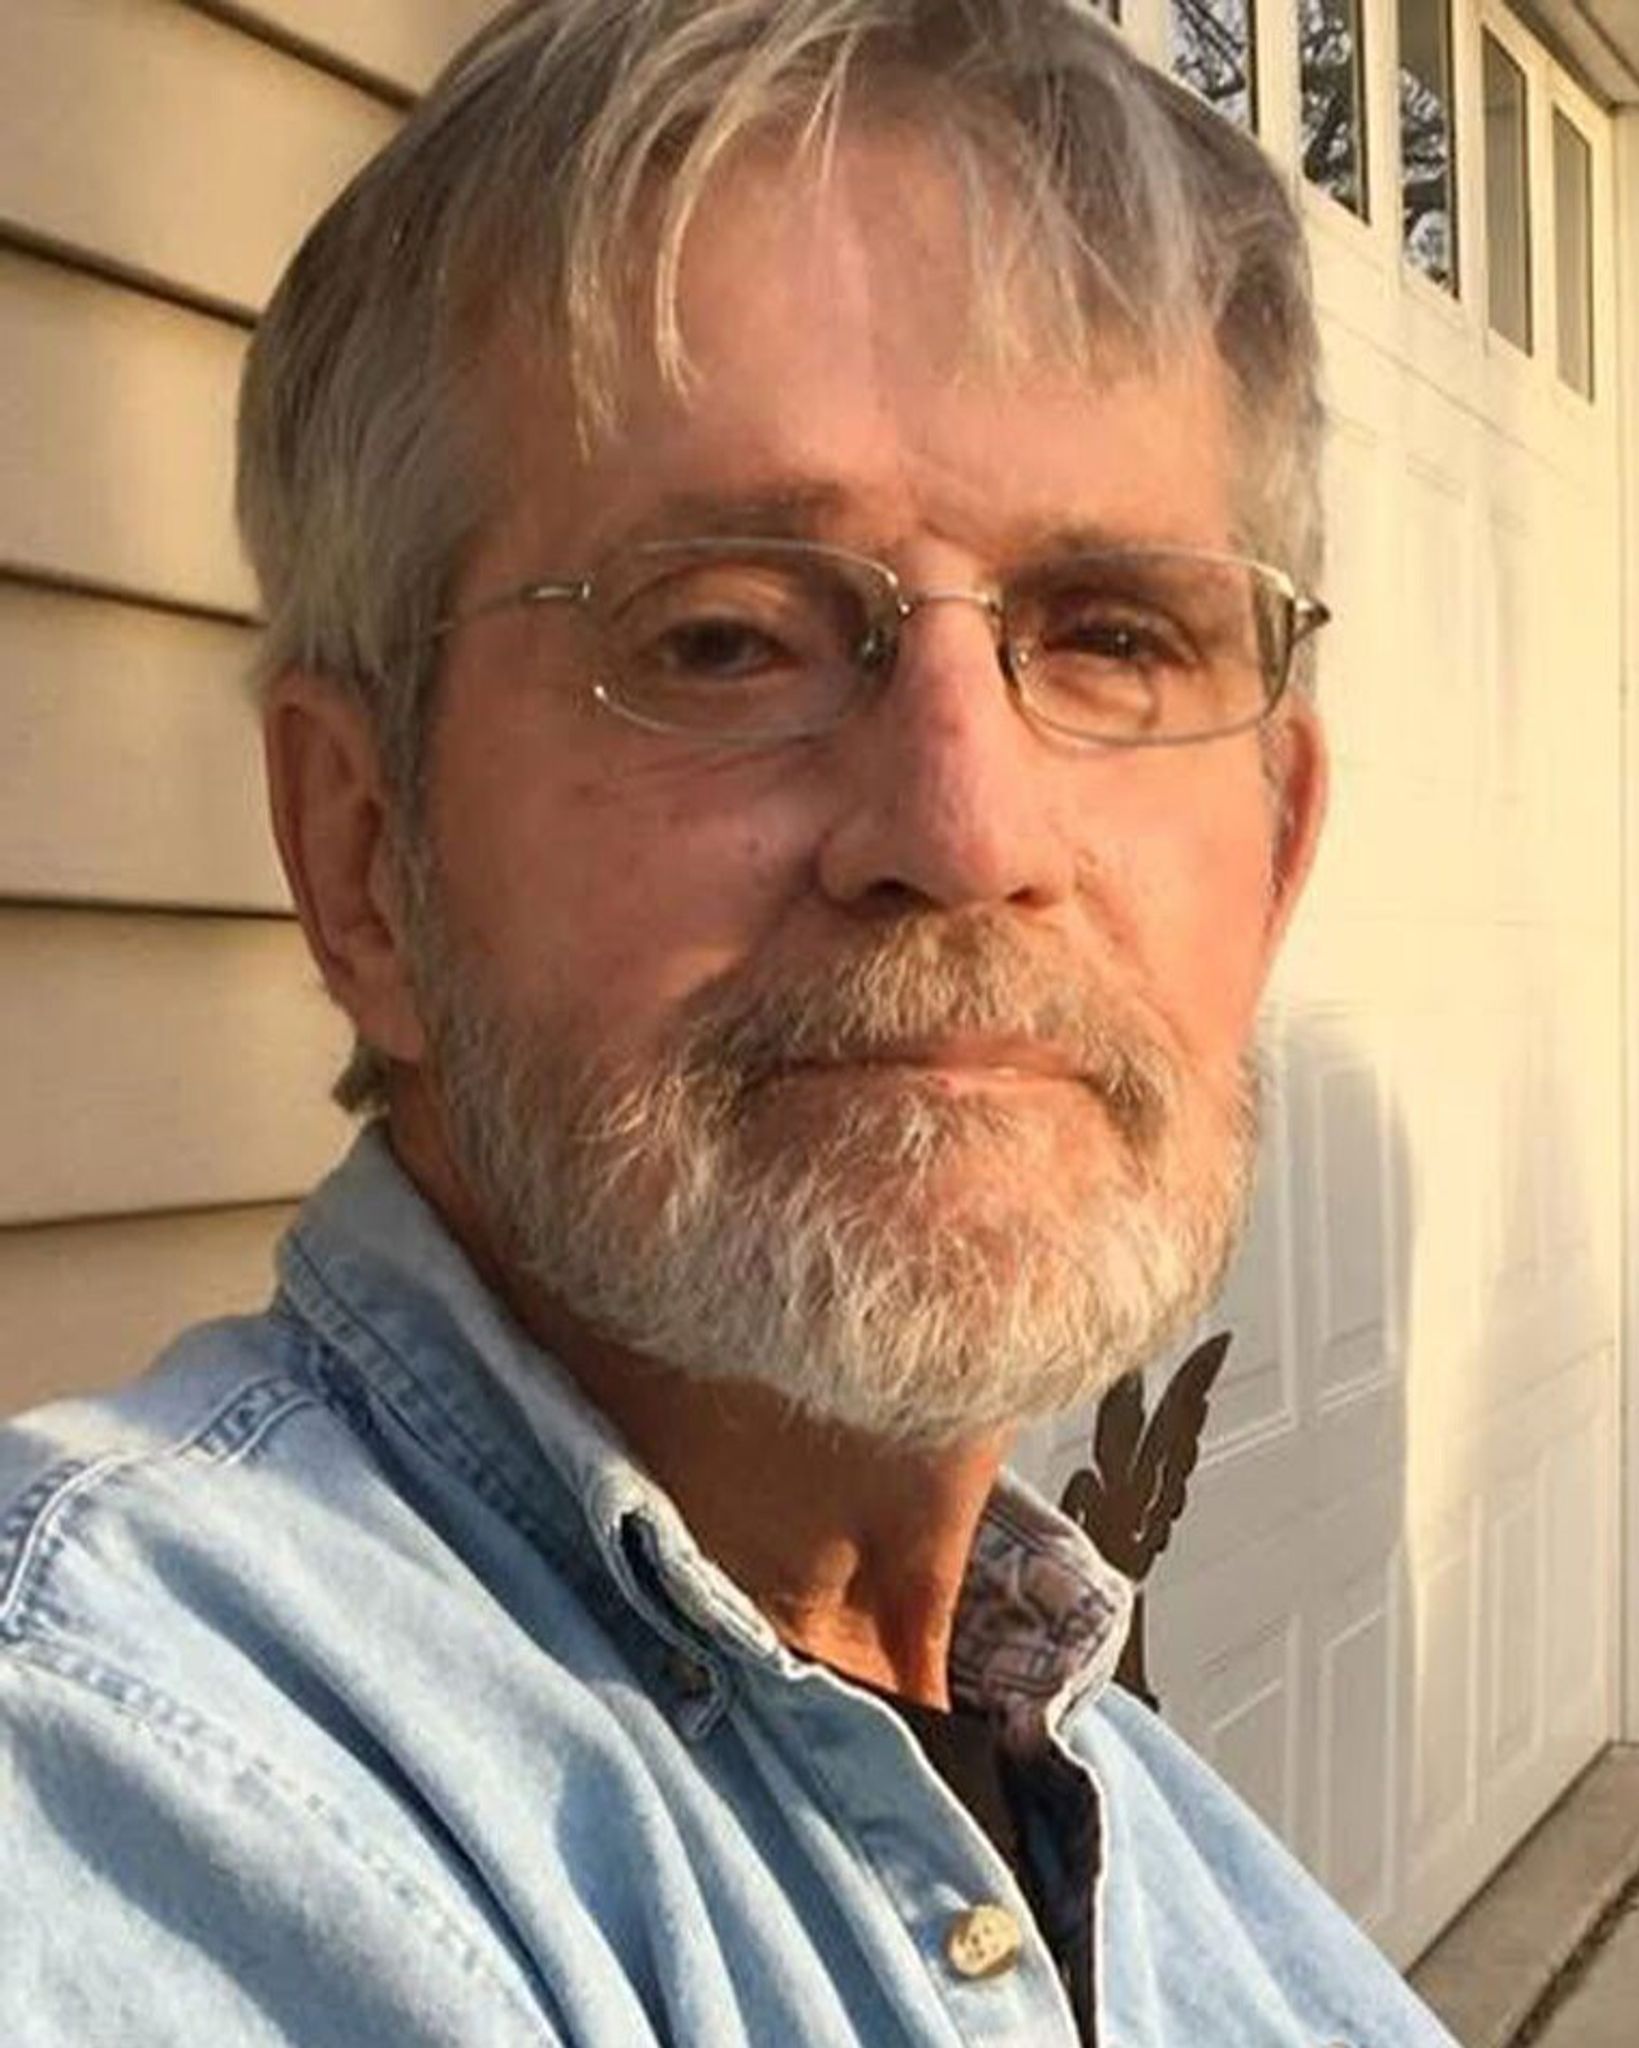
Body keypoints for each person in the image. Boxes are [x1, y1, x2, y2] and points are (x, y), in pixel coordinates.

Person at [0, 3, 1454, 2041]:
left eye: (1112, 635)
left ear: (1278, 848)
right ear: (365, 855)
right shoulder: (121, 1776)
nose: (965, 831)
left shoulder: (1105, 1789)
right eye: (724, 640)